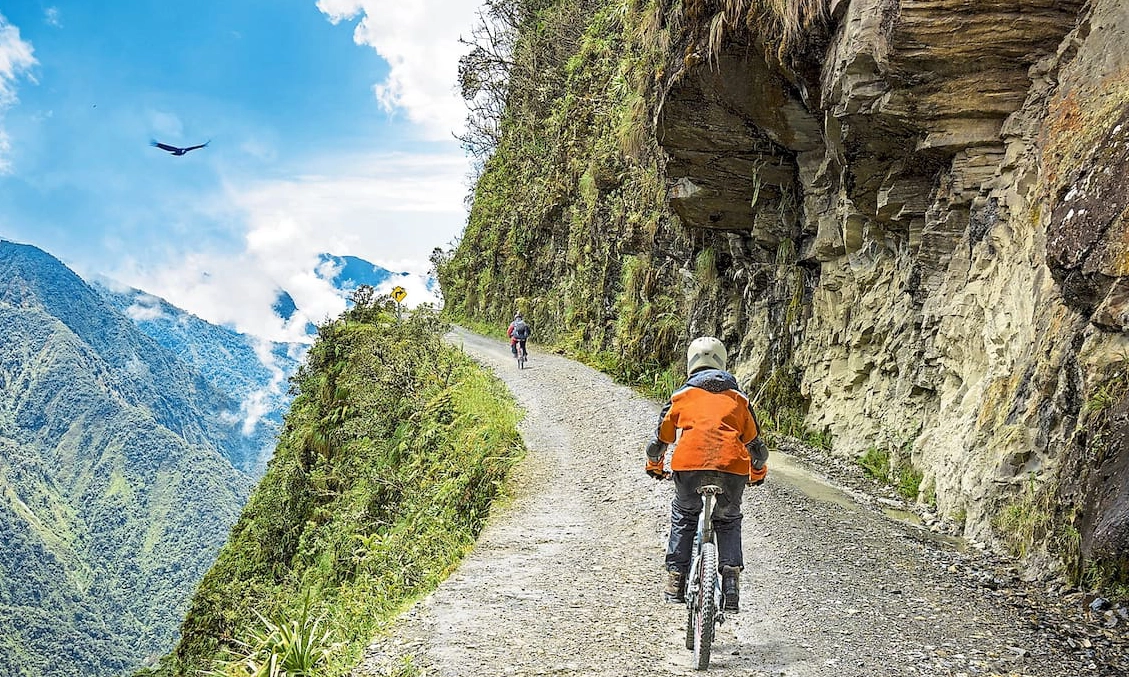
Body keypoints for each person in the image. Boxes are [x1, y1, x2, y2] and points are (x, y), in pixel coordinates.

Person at [644, 336, 768, 613]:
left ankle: (675, 580)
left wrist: (655, 466)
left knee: (685, 516)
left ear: (691, 363)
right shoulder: (739, 401)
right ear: (722, 363)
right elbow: (757, 449)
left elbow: (658, 443)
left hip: (689, 467)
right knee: (728, 519)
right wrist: (757, 472)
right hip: (732, 470)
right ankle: (732, 583)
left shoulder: (680, 397)